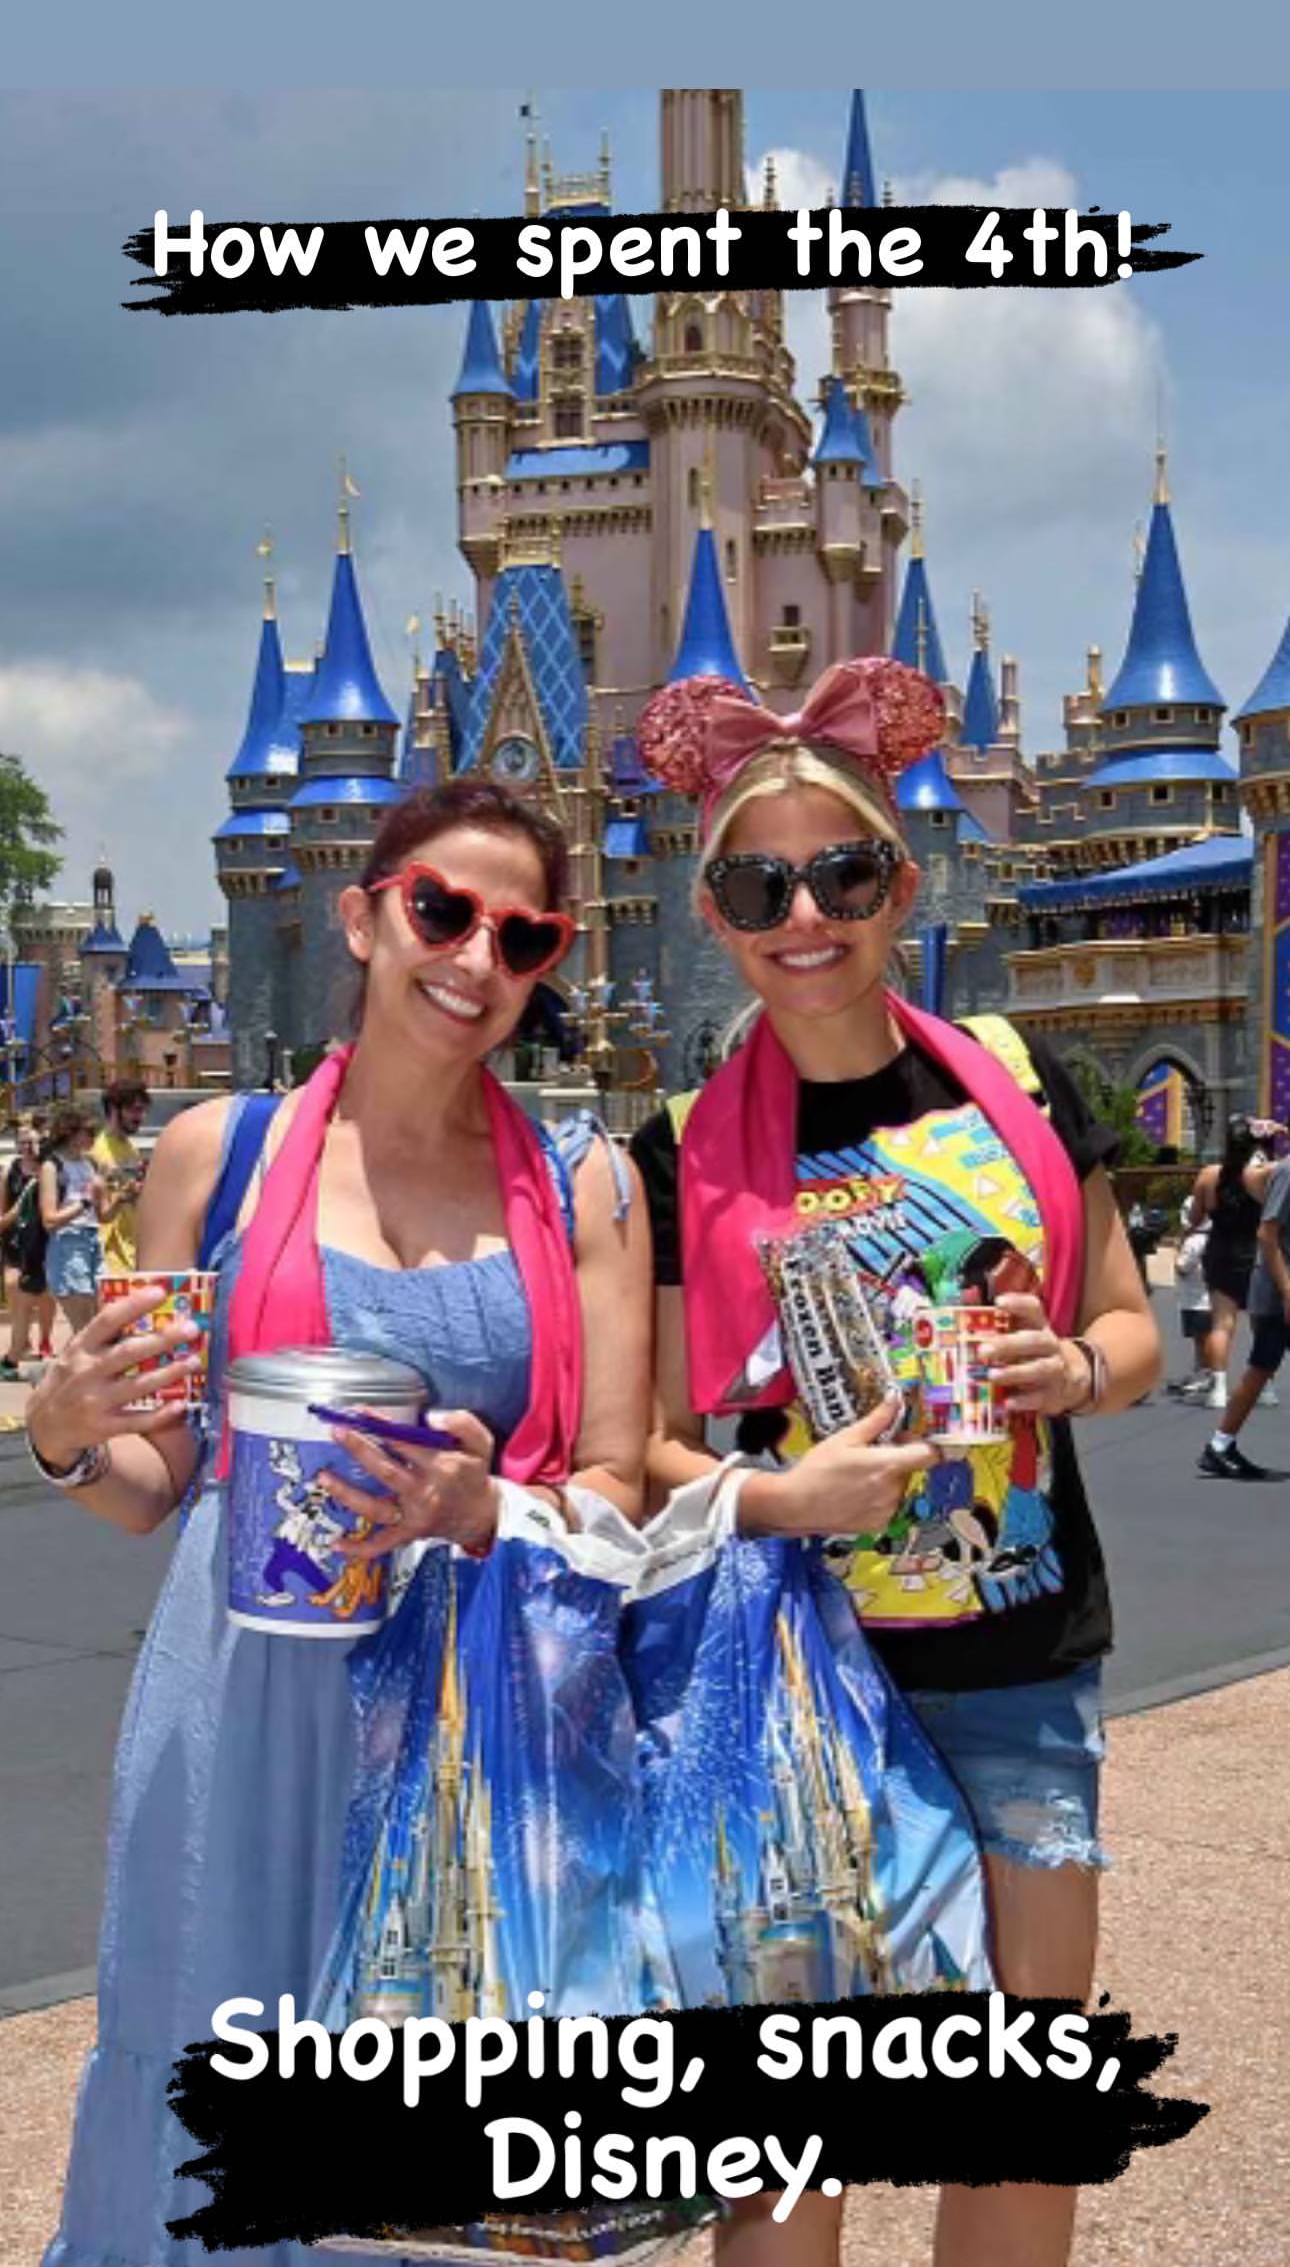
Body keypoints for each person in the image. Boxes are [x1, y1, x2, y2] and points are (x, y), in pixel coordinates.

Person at [31, 780, 653, 2267]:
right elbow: (155, 1481)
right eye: (443, 910)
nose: (475, 958)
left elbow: (620, 1480)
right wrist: (65, 1433)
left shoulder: (589, 1187)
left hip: (468, 1711)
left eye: (524, 935)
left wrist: (481, 1498)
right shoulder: (214, 1156)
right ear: (364, 914)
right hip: (246, 1704)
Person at [631, 657, 1162, 2267]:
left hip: (1012, 1658)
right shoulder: (680, 1143)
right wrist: (787, 1494)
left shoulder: (1010, 1080)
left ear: (901, 883)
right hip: (797, 1666)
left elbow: (1131, 1332)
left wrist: (1066, 1367)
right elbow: (642, 1448)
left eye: (842, 872)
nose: (806, 913)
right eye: (759, 881)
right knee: (794, 2136)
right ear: (715, 911)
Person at [1199, 1152, 1290, 1478]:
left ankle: (1220, 1445)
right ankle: (1219, 1446)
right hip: (1276, 1295)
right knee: (1260, 1368)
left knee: (1261, 1369)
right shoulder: (1288, 1172)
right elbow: (1267, 1235)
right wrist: (1286, 1291)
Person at [1188, 1117, 1276, 1408]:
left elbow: (1194, 1219)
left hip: (1220, 1252)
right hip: (1253, 1254)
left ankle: (1218, 1389)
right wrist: (1277, 1132)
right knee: (1260, 1323)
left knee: (1222, 1324)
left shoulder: (1208, 1175)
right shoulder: (1260, 1175)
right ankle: (1264, 1388)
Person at [38, 1105, 107, 1335]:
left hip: (93, 1240)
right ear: (70, 1132)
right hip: (68, 1243)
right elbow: (49, 1219)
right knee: (85, 1329)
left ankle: (76, 1370)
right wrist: (86, 1201)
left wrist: (123, 1197)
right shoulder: (52, 1166)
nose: (92, 1137)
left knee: (98, 1325)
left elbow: (103, 1215)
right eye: (87, 1132)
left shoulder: (91, 1164)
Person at [0, 1126, 56, 1373]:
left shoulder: (49, 1170)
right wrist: (15, 1213)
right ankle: (22, 1340)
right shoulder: (8, 1173)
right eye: (22, 1142)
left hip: (43, 1239)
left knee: (45, 1294)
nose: (27, 1148)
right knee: (13, 1286)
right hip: (16, 1241)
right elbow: (3, 1215)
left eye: (31, 1142)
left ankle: (45, 1338)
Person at [92, 1078, 153, 1275]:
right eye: (135, 1110)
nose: (140, 1117)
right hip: (105, 1249)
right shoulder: (95, 1150)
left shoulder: (131, 1150)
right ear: (113, 1108)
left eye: (143, 1110)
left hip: (130, 1248)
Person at [1166, 1192, 1214, 1398]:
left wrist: (1177, 1250)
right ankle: (1202, 1372)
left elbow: (1183, 1267)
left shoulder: (1193, 1242)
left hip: (1195, 1300)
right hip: (1210, 1298)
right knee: (1204, 1338)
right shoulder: (1214, 1238)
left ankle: (1205, 1374)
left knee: (1201, 1339)